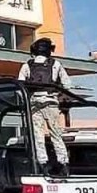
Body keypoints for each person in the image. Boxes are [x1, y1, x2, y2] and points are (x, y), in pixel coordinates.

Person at [17, 37, 73, 176]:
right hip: (51, 102)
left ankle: (42, 164)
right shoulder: (56, 64)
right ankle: (63, 163)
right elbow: (67, 85)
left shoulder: (27, 65)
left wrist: (26, 100)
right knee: (56, 134)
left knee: (37, 135)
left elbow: (19, 87)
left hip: (34, 104)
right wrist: (59, 95)